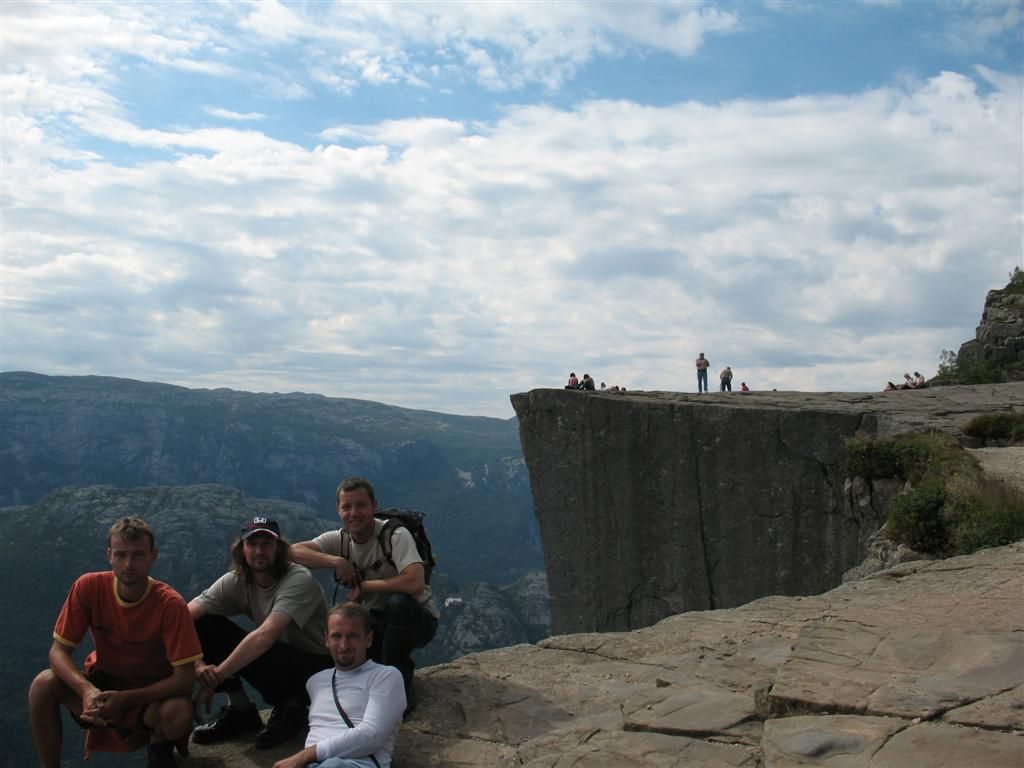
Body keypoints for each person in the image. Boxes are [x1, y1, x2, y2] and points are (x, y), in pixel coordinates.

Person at [28, 517, 202, 768]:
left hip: (149, 695)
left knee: (178, 712)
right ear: (109, 555)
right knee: (42, 685)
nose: (129, 564)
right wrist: (86, 690)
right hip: (102, 686)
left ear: (153, 556)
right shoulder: (88, 586)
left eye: (138, 555)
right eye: (121, 555)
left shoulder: (170, 604)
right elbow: (58, 652)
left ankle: (159, 746)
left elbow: (184, 678)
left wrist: (127, 699)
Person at [292, 478, 438, 717]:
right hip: (376, 624)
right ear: (338, 510)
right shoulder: (340, 540)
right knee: (339, 635)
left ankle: (399, 685)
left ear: (374, 506)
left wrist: (365, 586)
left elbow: (415, 581)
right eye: (346, 507)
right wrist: (336, 561)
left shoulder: (395, 535)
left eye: (361, 505)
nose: (353, 513)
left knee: (398, 604)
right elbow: (291, 552)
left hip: (417, 620)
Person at [189, 517, 332, 749]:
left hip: (317, 670)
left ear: (279, 548)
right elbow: (183, 619)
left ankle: (292, 709)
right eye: (252, 544)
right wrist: (197, 665)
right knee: (205, 624)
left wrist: (213, 679)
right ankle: (240, 710)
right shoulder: (236, 581)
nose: (259, 551)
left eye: (266, 544)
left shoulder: (298, 579)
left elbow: (266, 635)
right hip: (280, 661)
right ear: (242, 550)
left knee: (261, 644)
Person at [272, 603, 405, 768]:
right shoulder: (315, 682)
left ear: (369, 639)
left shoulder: (386, 676)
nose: (343, 645)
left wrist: (305, 756)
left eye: (352, 636)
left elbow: (371, 735)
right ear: (326, 640)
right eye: (336, 636)